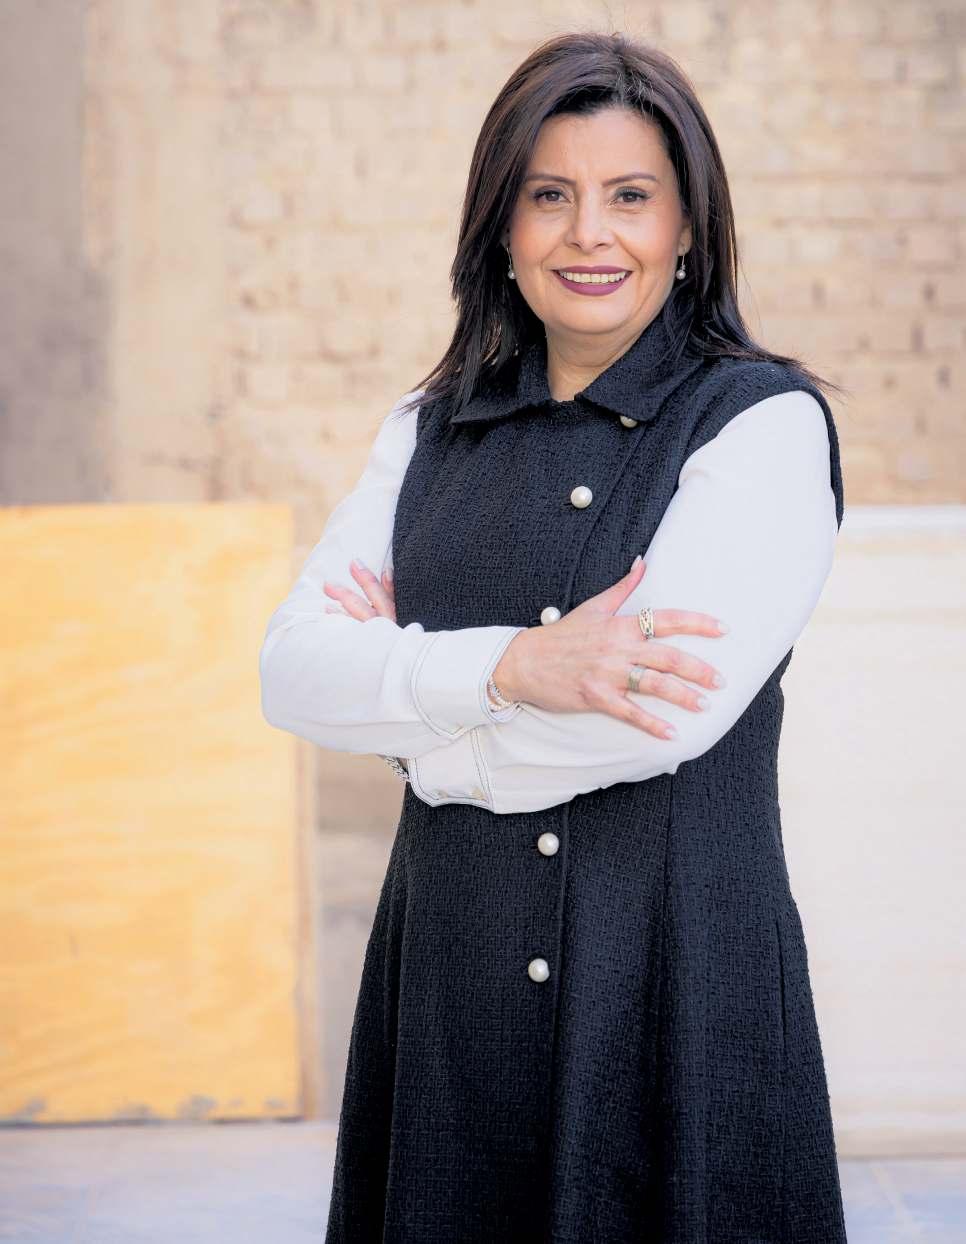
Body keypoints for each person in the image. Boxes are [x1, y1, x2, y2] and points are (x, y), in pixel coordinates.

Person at [260, 30, 849, 1244]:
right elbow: (292, 671)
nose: (590, 234)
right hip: (453, 991)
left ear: (687, 227)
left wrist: (416, 738)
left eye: (630, 196)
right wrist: (514, 669)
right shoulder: (426, 429)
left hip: (671, 985)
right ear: (502, 226)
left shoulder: (762, 425)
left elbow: (655, 718)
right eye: (549, 196)